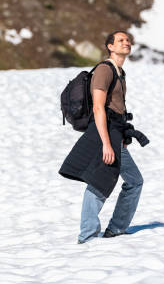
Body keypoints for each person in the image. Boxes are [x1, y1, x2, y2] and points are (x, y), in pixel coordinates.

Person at [59, 31, 144, 244]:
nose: (127, 42)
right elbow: (98, 108)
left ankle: (115, 228)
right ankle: (88, 236)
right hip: (103, 134)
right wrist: (107, 143)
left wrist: (122, 135)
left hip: (115, 132)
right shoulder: (105, 71)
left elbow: (115, 109)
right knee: (100, 182)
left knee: (132, 181)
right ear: (110, 46)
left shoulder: (119, 72)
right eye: (121, 40)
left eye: (128, 40)